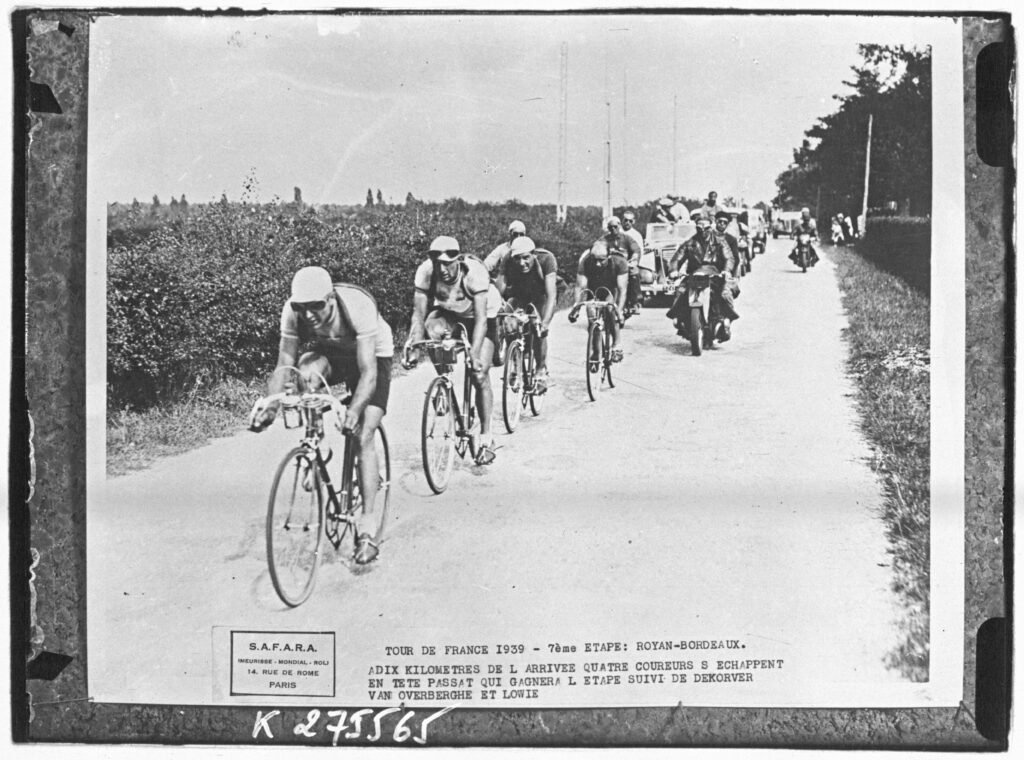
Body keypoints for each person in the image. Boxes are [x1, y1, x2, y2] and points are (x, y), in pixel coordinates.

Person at [248, 266, 394, 565]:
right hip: (333, 351)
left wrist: (353, 411)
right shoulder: (293, 312)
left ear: (330, 299)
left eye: (316, 306)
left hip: (372, 355)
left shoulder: (357, 306)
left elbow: (367, 374)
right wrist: (270, 408)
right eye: (302, 307)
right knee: (305, 369)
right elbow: (283, 365)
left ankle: (366, 528)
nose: (309, 315)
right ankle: (318, 443)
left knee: (363, 432)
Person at [404, 235, 500, 465]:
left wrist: (474, 354)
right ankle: (444, 383)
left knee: (478, 374)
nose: (443, 269)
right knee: (431, 328)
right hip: (451, 313)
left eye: (449, 263)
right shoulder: (426, 272)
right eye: (439, 264)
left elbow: (480, 321)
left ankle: (487, 438)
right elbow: (418, 313)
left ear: (458, 259)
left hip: (483, 318)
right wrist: (414, 345)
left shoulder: (474, 273)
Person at [493, 236, 557, 391]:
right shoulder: (508, 259)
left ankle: (541, 370)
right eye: (518, 259)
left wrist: (546, 323)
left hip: (540, 295)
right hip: (520, 294)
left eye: (526, 258)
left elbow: (551, 295)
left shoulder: (546, 259)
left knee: (538, 327)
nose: (522, 263)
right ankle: (515, 365)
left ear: (533, 254)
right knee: (508, 324)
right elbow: (498, 290)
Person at [665, 211, 739, 341]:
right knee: (680, 291)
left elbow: (729, 257)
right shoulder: (690, 242)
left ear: (711, 227)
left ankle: (726, 323)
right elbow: (677, 257)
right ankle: (680, 321)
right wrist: (673, 270)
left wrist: (727, 270)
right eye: (699, 228)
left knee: (725, 293)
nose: (703, 231)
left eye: (706, 228)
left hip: (715, 275)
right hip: (694, 275)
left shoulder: (720, 241)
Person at [571, 239, 628, 363]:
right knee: (591, 313)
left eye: (601, 260)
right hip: (594, 288)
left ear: (609, 256)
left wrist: (620, 311)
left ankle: (617, 345)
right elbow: (580, 286)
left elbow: (622, 289)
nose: (597, 264)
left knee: (610, 309)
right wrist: (576, 307)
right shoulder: (586, 261)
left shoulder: (619, 262)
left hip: (610, 289)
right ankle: (596, 350)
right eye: (594, 260)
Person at [601, 215, 642, 315]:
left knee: (634, 272)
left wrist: (635, 258)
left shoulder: (626, 238)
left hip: (625, 265)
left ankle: (634, 302)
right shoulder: (605, 239)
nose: (613, 229)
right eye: (611, 227)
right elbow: (596, 246)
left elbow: (635, 249)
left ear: (619, 226)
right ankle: (598, 297)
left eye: (615, 227)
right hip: (609, 266)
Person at [712, 210, 742, 279]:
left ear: (727, 224)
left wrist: (727, 271)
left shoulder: (731, 239)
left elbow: (735, 258)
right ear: (716, 221)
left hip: (724, 272)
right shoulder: (709, 236)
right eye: (720, 221)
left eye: (725, 222)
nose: (722, 224)